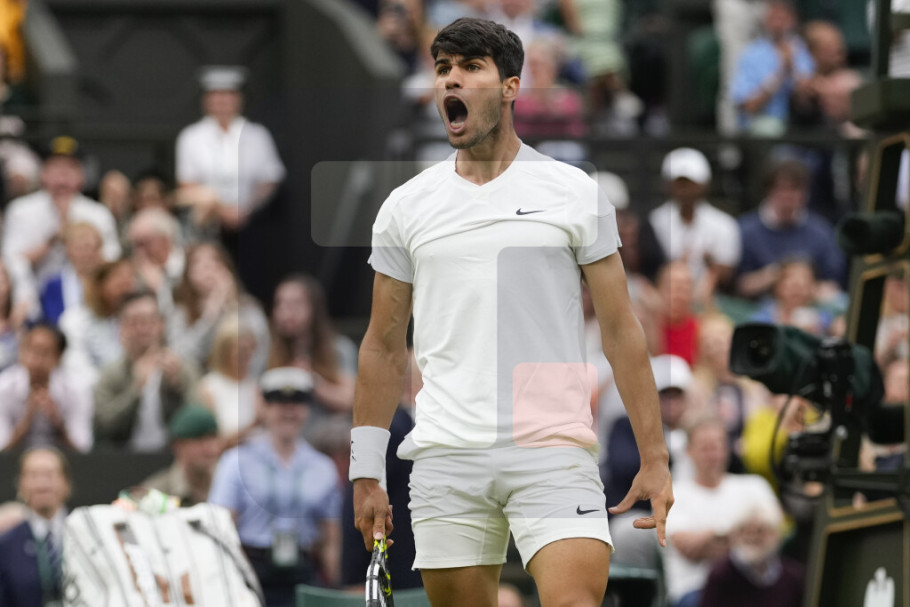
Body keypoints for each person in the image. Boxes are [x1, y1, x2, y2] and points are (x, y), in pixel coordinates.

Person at [350, 18, 672, 607]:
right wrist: (365, 471)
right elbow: (382, 345)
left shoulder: (575, 192)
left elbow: (622, 333)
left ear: (510, 87)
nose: (452, 79)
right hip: (447, 452)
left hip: (551, 445)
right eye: (443, 68)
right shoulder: (404, 207)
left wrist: (654, 455)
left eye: (471, 67)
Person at [208, 367, 342, 606]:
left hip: (303, 569)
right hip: (251, 569)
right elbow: (221, 526)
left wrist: (335, 587)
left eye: (297, 403)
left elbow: (331, 537)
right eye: (279, 403)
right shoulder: (237, 460)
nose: (288, 411)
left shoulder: (322, 467)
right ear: (264, 407)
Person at [663, 417, 781, 607]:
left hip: (754, 584)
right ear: (689, 451)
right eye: (705, 448)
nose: (713, 454)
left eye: (717, 446)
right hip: (695, 588)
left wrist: (712, 540)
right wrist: (737, 534)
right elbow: (688, 548)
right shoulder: (673, 493)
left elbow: (774, 536)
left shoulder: (754, 485)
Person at [1, 136, 121, 316]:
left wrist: (82, 248)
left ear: (81, 176)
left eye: (70, 168)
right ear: (43, 174)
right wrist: (52, 240)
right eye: (56, 167)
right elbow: (10, 263)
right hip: (32, 301)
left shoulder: (98, 214)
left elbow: (112, 262)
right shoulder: (21, 210)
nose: (62, 176)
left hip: (86, 299)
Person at [174, 65, 286, 243]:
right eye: (216, 95)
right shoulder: (191, 137)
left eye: (229, 95)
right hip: (208, 227)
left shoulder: (257, 135)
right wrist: (222, 212)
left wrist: (247, 210)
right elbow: (187, 184)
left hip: (252, 224)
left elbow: (269, 179)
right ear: (206, 100)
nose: (222, 101)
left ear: (239, 99)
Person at [93, 291, 200, 451]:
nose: (143, 328)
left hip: (173, 455)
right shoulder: (110, 374)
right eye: (135, 321)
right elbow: (104, 426)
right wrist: (136, 390)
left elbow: (198, 422)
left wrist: (176, 387)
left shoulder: (183, 368)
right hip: (123, 457)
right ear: (122, 327)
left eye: (150, 320)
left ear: (161, 324)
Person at [736, 158, 846, 300]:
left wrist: (802, 286)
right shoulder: (745, 230)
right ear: (769, 190)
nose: (787, 195)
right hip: (757, 307)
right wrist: (774, 276)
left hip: (811, 307)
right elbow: (737, 285)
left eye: (794, 189)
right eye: (781, 188)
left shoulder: (822, 232)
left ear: (805, 193)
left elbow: (833, 284)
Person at [649, 148, 740, 307]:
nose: (684, 189)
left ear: (704, 184)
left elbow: (727, 273)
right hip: (665, 304)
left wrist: (711, 269)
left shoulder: (724, 224)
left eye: (690, 183)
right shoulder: (654, 221)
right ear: (667, 185)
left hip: (711, 302)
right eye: (679, 183)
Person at [169, 241, 270, 378]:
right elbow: (181, 358)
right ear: (188, 274)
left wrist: (231, 307)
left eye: (215, 261)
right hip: (199, 384)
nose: (208, 268)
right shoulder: (180, 312)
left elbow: (260, 351)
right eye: (198, 263)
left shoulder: (248, 307)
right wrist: (209, 318)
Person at [0, 323, 93, 452]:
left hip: (62, 460)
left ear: (59, 358)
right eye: (30, 350)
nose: (35, 360)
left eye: (44, 353)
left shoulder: (76, 389)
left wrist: (58, 423)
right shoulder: (4, 387)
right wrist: (27, 420)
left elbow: (83, 448)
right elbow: (2, 448)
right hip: (15, 460)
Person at [730, 0, 814, 135]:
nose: (778, 24)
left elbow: (806, 103)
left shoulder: (800, 50)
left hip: (798, 125)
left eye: (783, 18)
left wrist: (792, 70)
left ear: (792, 20)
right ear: (765, 21)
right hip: (760, 125)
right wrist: (779, 74)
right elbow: (749, 107)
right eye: (774, 18)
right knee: (769, 128)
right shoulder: (751, 54)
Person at [0, 447, 70, 607]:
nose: (42, 484)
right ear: (20, 484)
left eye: (50, 474)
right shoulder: (6, 545)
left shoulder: (89, 536)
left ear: (66, 482)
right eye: (33, 475)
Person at [699, 504, 805, 607]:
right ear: (735, 535)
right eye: (745, 530)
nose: (752, 536)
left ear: (775, 535)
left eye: (760, 530)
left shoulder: (794, 578)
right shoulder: (721, 575)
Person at [141, 404, 222, 506]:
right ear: (178, 445)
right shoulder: (156, 494)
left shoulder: (230, 484)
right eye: (199, 440)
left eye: (213, 438)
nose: (210, 449)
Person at [198, 315, 260, 446]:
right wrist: (254, 425)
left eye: (249, 350)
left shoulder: (257, 386)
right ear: (224, 352)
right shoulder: (209, 387)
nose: (245, 357)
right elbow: (213, 442)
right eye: (240, 351)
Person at [39, 222, 105, 326]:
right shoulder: (54, 285)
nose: (86, 254)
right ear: (68, 250)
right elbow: (52, 320)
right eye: (79, 248)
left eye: (90, 247)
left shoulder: (109, 280)